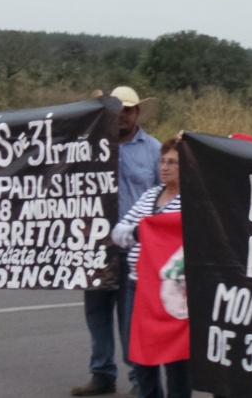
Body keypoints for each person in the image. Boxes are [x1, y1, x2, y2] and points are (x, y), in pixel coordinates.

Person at [73, 86, 160, 397]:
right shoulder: (89, 145)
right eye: (117, 109)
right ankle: (102, 373)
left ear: (137, 114)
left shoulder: (153, 150)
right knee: (96, 314)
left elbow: (165, 198)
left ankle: (140, 379)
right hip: (95, 247)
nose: (123, 115)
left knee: (131, 317)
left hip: (133, 249)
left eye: (129, 109)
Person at [112, 138, 189, 398]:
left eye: (172, 163)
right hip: (139, 286)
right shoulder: (149, 196)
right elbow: (118, 232)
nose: (165, 167)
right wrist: (140, 231)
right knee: (141, 356)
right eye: (162, 161)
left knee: (176, 358)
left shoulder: (193, 201)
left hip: (174, 289)